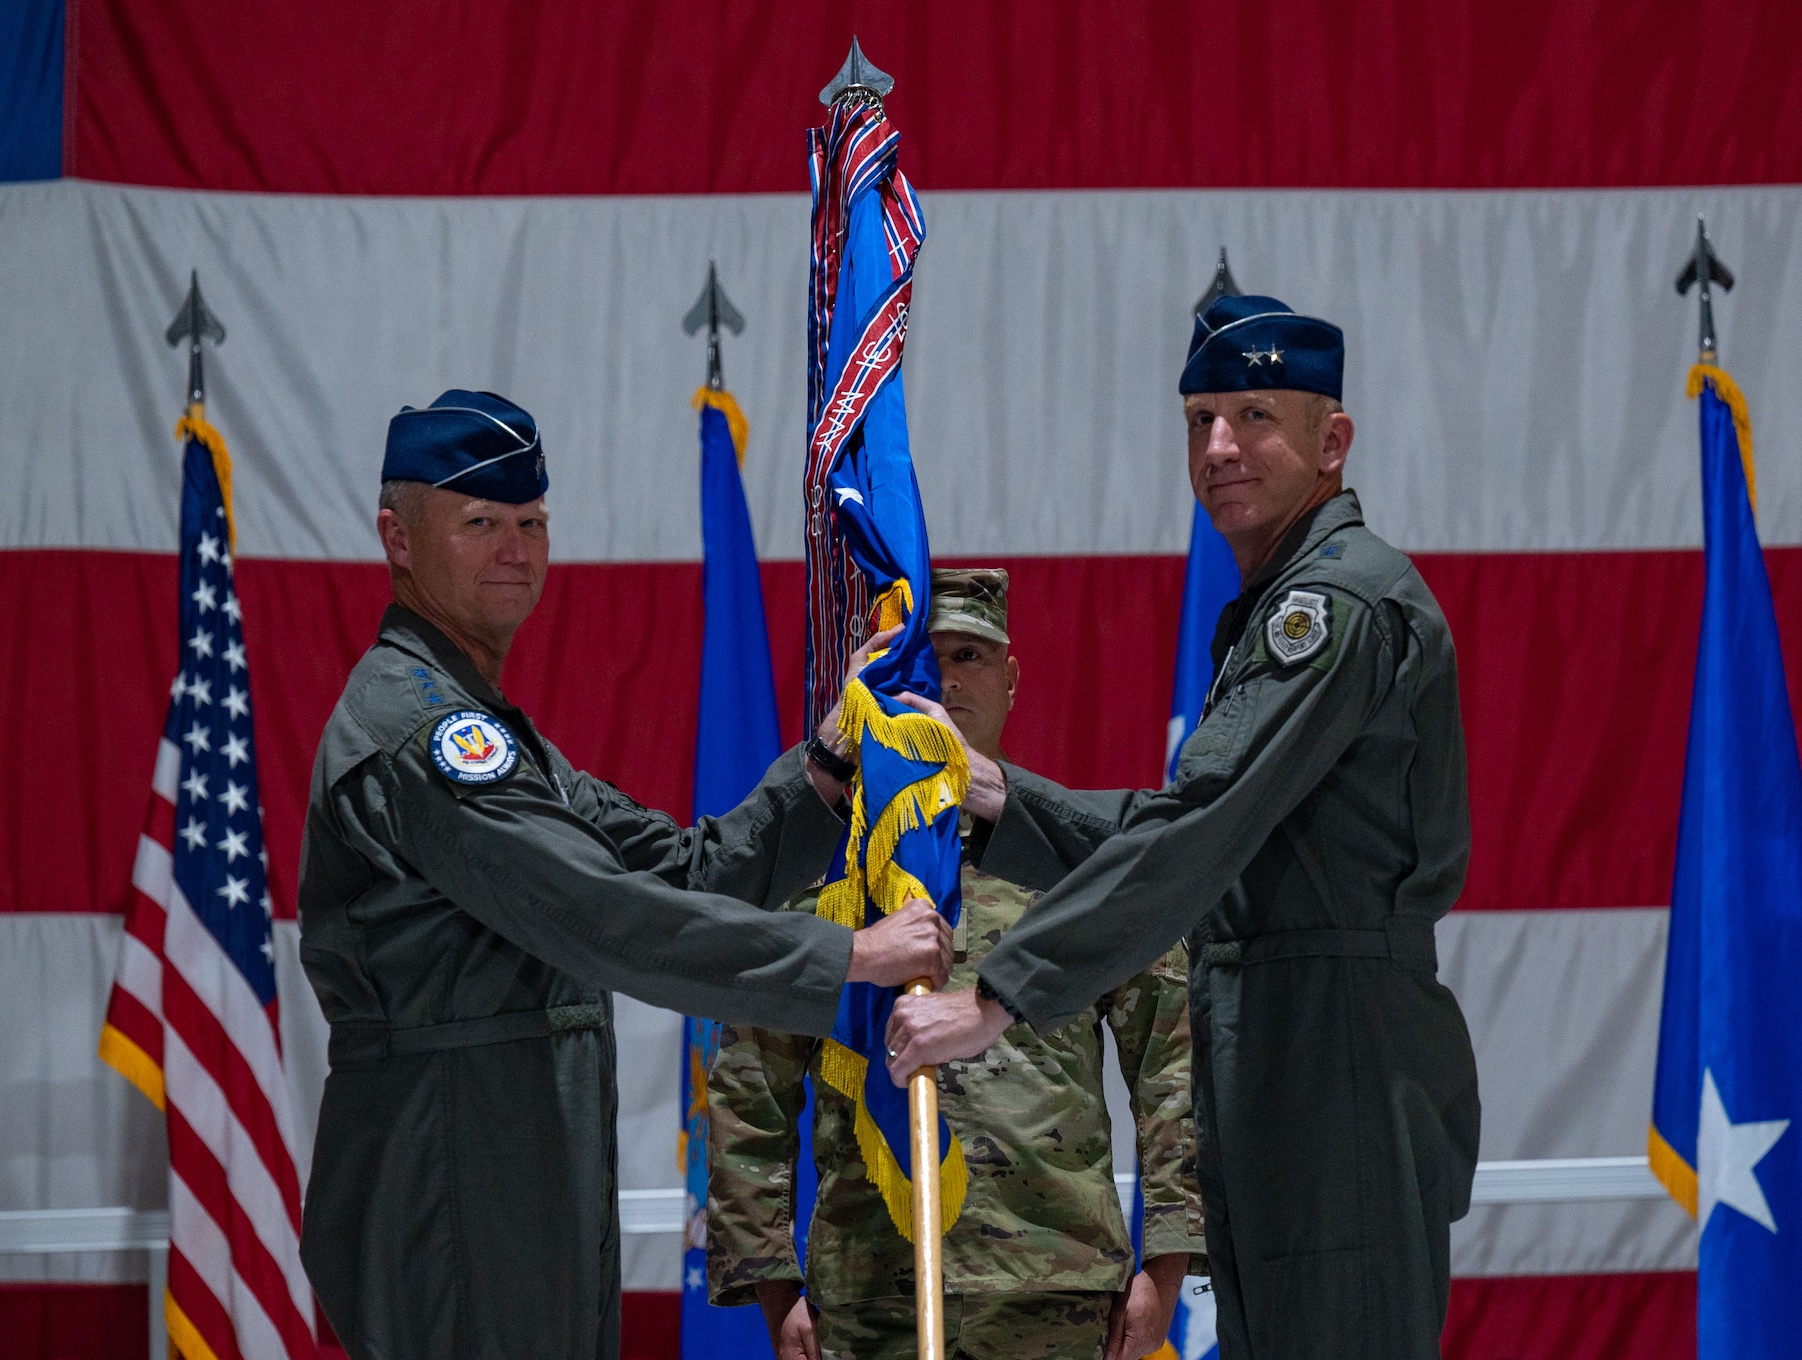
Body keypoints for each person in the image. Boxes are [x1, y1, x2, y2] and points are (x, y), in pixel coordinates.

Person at [297, 390, 954, 1360]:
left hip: (513, 1177)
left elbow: (686, 868)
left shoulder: (487, 728)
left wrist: (823, 769)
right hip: (451, 1182)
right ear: (397, 536)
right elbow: (607, 917)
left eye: (531, 523)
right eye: (480, 523)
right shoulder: (425, 735)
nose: (515, 550)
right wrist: (846, 955)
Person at [885, 299, 1482, 1360]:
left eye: (1253, 415)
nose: (1217, 448)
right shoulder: (1278, 603)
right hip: (1282, 1047)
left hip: (1329, 1052)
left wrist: (996, 994)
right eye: (1199, 418)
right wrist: (996, 796)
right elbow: (1196, 826)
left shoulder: (1330, 607)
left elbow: (1201, 831)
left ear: (1330, 441)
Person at [704, 568, 1205, 1360]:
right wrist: (775, 1283)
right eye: (915, 661)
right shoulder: (817, 871)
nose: (942, 680)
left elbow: (1171, 1063)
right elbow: (749, 1086)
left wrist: (1167, 1268)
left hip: (1055, 1282)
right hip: (868, 1287)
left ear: (1009, 679)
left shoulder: (1083, 864)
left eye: (968, 655)